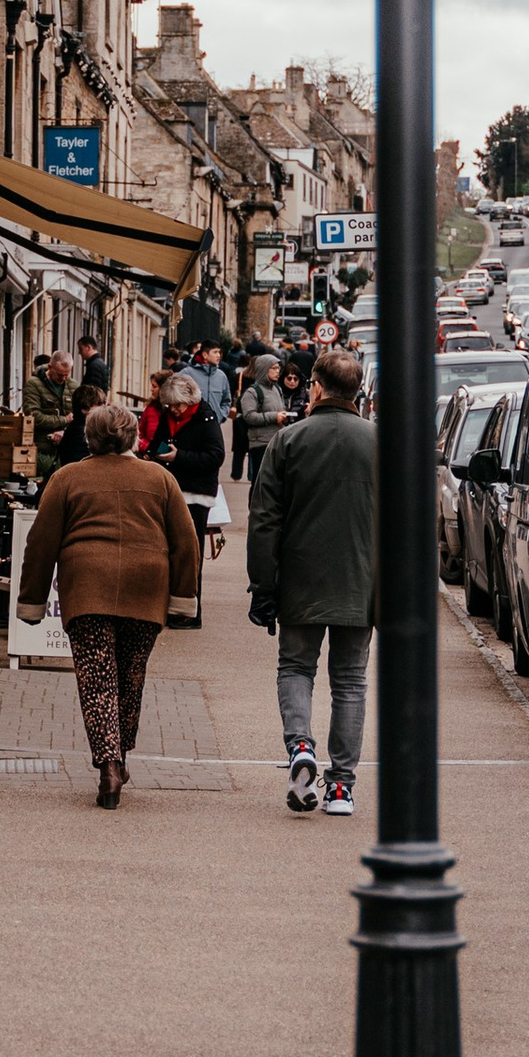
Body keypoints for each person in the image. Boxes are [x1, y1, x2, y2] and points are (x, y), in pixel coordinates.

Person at [14, 397, 200, 805]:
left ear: (89, 437)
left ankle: (109, 764)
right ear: (133, 435)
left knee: (97, 680)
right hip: (146, 588)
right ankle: (120, 753)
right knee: (130, 678)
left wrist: (31, 601)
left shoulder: (66, 478)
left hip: (87, 587)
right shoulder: (160, 478)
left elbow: (40, 544)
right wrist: (182, 598)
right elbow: (186, 542)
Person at [245, 348, 376, 820]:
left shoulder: (289, 441)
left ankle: (300, 744)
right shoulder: (382, 443)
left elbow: (264, 520)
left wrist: (263, 586)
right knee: (350, 682)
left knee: (296, 668)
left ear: (316, 387)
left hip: (299, 579)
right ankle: (341, 786)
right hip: (362, 582)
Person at [166, 374, 228, 562]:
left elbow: (216, 456)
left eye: (178, 405)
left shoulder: (206, 419)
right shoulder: (168, 416)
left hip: (197, 492)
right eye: (171, 404)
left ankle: (193, 590)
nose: (174, 409)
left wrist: (179, 456)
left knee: (191, 552)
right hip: (173, 489)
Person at [234, 350, 290, 484]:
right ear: (264, 369)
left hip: (277, 440)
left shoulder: (277, 389)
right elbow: (249, 416)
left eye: (278, 368)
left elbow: (280, 408)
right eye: (274, 368)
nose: (278, 371)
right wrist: (274, 416)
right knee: (260, 482)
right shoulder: (252, 392)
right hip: (260, 443)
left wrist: (285, 415)